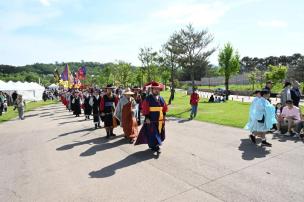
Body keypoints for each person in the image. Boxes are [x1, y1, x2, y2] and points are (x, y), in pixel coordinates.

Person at [135, 81, 168, 152]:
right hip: (151, 119)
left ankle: (154, 145)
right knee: (153, 133)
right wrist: (147, 117)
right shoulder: (148, 98)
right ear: (152, 90)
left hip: (160, 119)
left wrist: (164, 116)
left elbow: (164, 108)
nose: (156, 90)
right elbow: (145, 108)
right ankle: (156, 146)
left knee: (159, 132)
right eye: (155, 89)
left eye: (158, 89)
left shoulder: (161, 98)